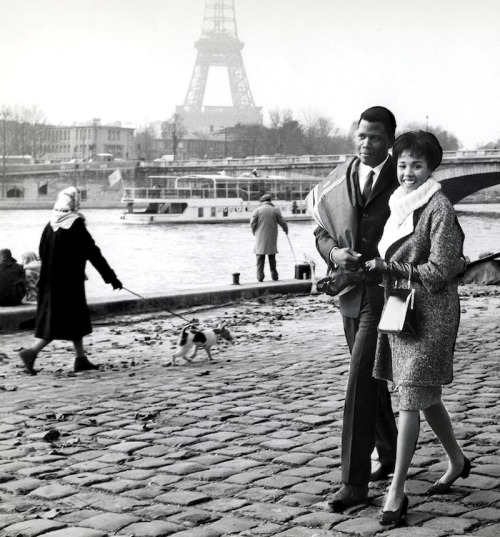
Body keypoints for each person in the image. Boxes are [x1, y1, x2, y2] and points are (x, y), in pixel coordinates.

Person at [365, 131, 469, 525]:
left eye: (417, 165)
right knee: (421, 391)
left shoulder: (438, 206)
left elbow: (442, 271)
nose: (408, 172)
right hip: (403, 308)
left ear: (432, 168)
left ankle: (396, 491)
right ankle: (457, 459)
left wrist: (389, 268)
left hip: (431, 312)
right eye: (403, 164)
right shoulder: (400, 204)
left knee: (408, 395)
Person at [307, 106, 399, 512]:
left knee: (359, 383)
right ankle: (392, 453)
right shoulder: (338, 178)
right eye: (361, 136)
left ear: (390, 141)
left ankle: (354, 482)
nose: (366, 144)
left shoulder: (405, 179)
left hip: (386, 295)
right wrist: (334, 252)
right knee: (373, 379)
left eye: (375, 138)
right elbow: (320, 230)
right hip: (348, 292)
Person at [19, 187, 123, 375]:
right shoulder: (75, 224)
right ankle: (31, 352)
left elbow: (42, 252)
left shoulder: (50, 224)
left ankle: (80, 359)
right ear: (74, 203)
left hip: (48, 282)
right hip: (68, 284)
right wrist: (111, 278)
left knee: (74, 320)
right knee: (60, 322)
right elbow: (93, 253)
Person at [250, 194, 289, 282]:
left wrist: (254, 231)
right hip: (272, 237)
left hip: (260, 237)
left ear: (262, 201)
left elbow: (252, 222)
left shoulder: (257, 210)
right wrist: (286, 230)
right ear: (270, 201)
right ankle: (274, 276)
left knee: (260, 257)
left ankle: (260, 277)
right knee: (272, 257)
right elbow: (282, 222)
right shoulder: (275, 210)